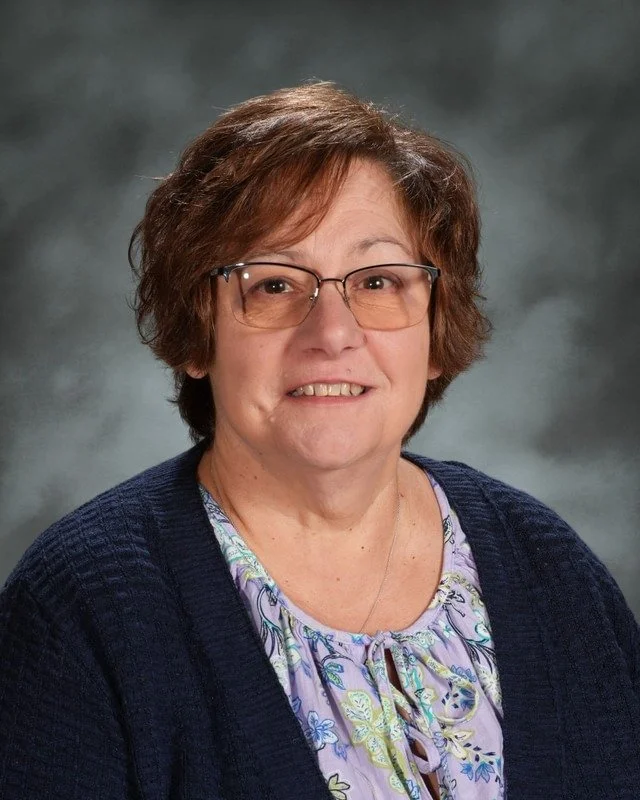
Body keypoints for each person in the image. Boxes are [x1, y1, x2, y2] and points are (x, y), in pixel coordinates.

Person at [0, 82, 638, 800]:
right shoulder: (80, 612)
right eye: (273, 284)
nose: (332, 333)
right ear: (197, 333)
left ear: (434, 333)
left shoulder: (550, 570)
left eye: (376, 280)